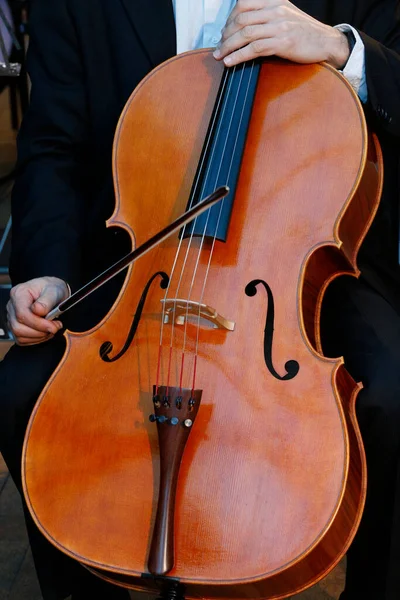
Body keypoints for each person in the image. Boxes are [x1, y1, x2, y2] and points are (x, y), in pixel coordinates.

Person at [0, 0, 399, 598]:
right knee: (21, 391)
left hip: (301, 259)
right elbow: (53, 148)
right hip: (139, 264)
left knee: (394, 392)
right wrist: (48, 272)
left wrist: (345, 51)